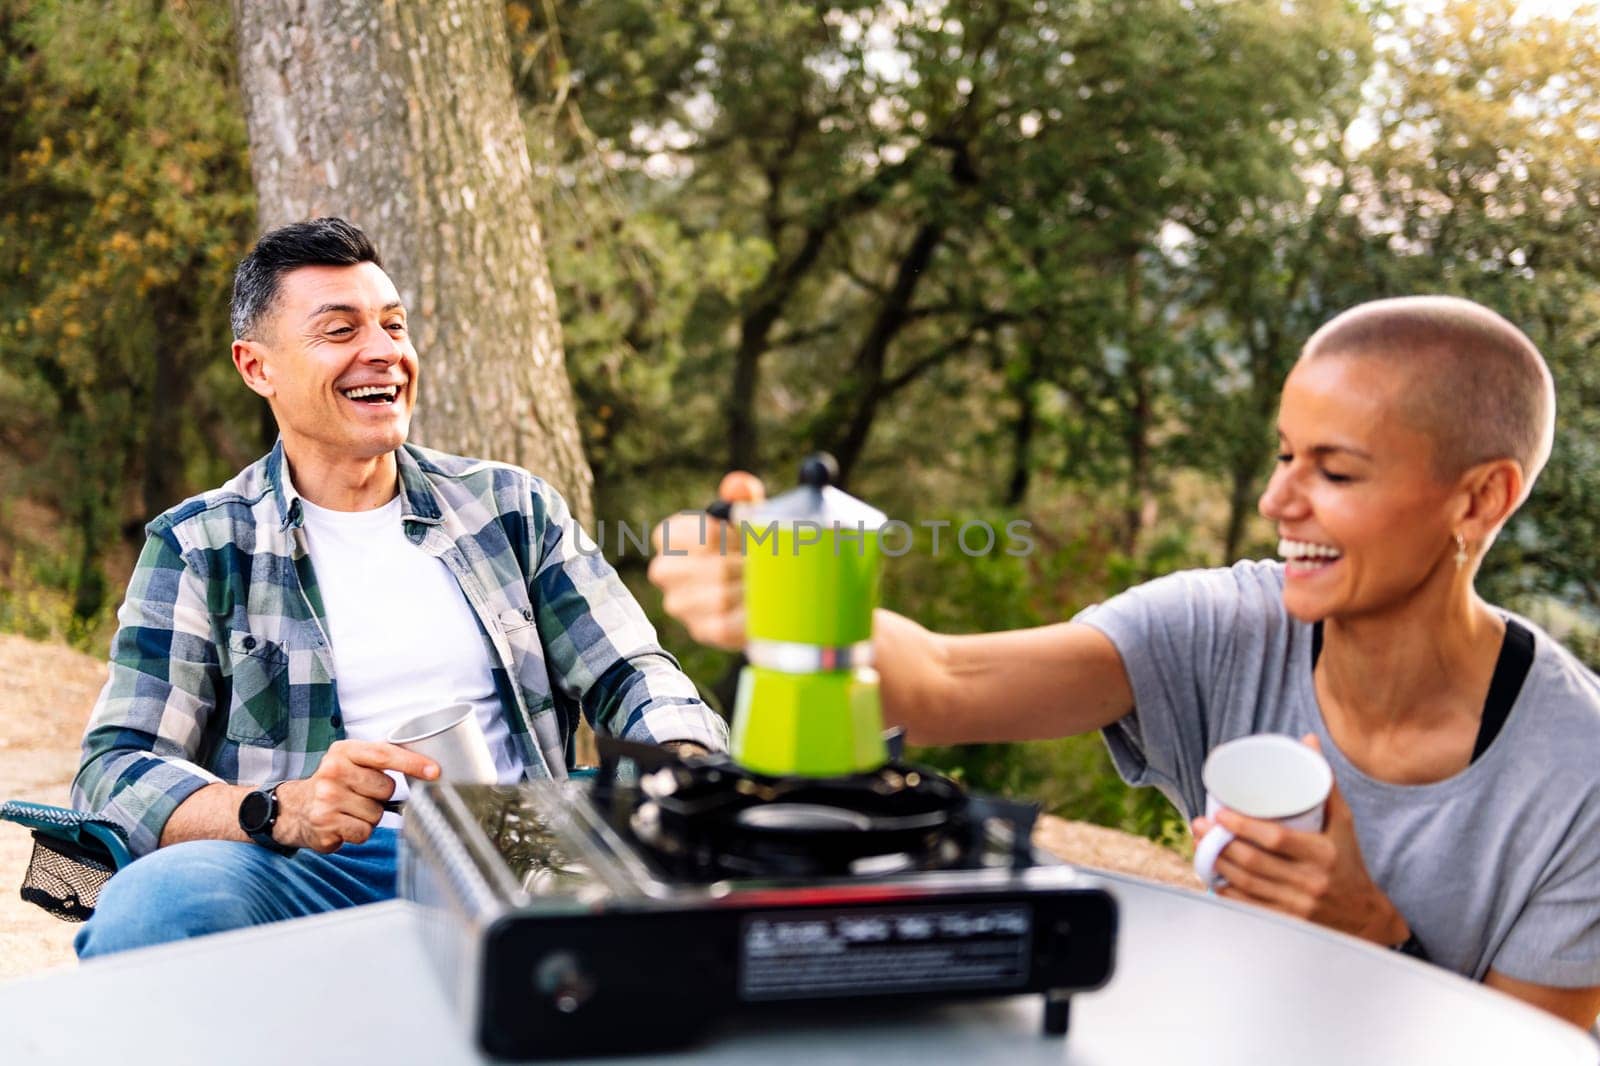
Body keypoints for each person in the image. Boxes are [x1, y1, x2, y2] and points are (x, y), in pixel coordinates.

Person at [648, 295, 1600, 1028]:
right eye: (1281, 457)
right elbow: (940, 679)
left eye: (1335, 472)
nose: (1278, 500)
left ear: (1478, 501)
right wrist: (800, 603)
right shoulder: (1221, 627)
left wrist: (1371, 937)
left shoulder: (1581, 774)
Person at [72, 217, 726, 957]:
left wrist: (686, 760)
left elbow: (631, 672)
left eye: (393, 325)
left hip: (518, 851)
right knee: (149, 908)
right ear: (258, 368)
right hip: (302, 868)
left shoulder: (510, 508)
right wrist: (281, 809)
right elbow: (113, 772)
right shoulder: (198, 545)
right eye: (340, 330)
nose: (382, 351)